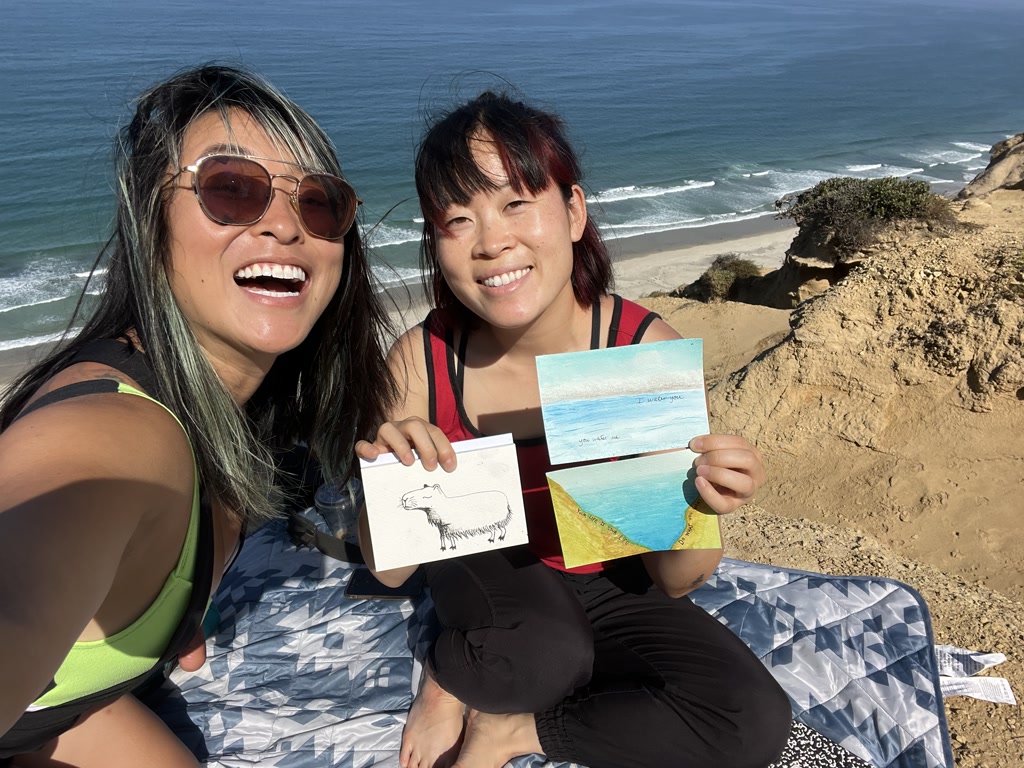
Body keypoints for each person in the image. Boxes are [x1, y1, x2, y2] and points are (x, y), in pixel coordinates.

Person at [356, 91, 792, 768]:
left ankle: (514, 730)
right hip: (491, 571)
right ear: (435, 242)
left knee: (753, 722)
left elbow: (677, 578)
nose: (492, 240)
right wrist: (385, 481)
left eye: (515, 202)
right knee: (546, 655)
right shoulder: (422, 361)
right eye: (457, 218)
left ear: (574, 211)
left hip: (610, 576)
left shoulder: (633, 351)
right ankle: (449, 677)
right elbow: (389, 572)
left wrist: (698, 507)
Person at [0, 65, 396, 766]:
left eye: (320, 203)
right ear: (150, 222)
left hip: (75, 706)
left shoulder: (243, 408)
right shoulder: (116, 438)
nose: (284, 223)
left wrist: (167, 612)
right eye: (231, 188)